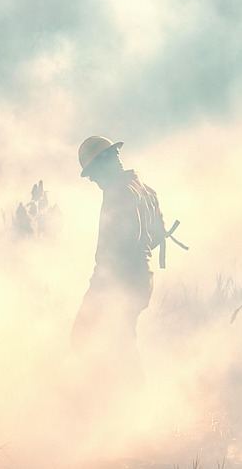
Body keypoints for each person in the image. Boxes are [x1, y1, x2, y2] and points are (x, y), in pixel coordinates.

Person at [70, 135, 159, 386]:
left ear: (105, 163)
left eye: (93, 174)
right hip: (140, 278)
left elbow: (120, 247)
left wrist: (102, 286)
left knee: (85, 337)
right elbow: (154, 237)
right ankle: (121, 399)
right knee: (120, 340)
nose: (93, 180)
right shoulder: (142, 188)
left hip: (120, 282)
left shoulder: (118, 193)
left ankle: (119, 399)